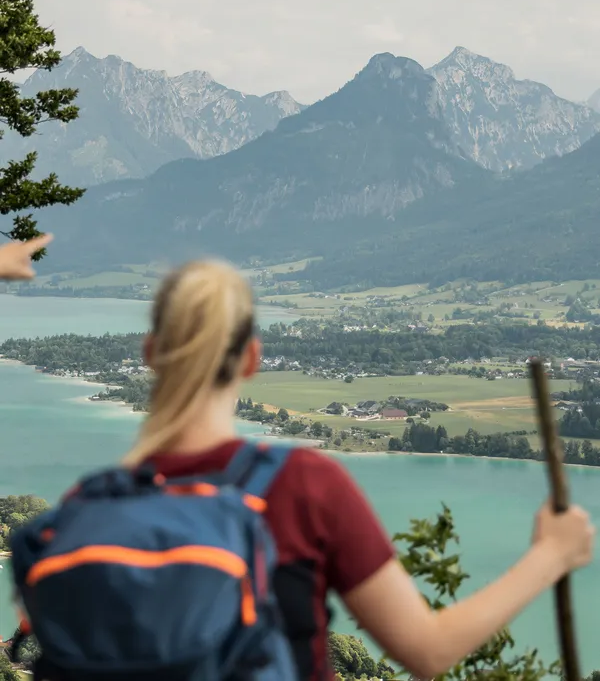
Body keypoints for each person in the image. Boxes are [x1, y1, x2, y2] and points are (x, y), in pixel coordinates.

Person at [118, 259, 595, 681]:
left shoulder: (94, 507)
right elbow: (427, 652)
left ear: (149, 352)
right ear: (251, 359)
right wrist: (551, 554)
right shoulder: (300, 484)